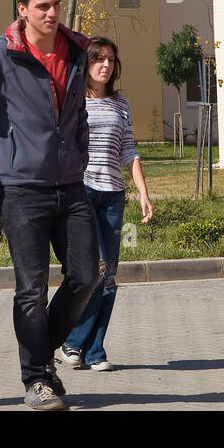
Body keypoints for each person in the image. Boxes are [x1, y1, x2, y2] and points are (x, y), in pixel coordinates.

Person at [0, 0, 101, 410]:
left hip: (70, 186)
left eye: (56, 4)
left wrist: (80, 154)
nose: (52, 12)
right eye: (43, 6)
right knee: (31, 289)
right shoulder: (1, 56)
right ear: (22, 10)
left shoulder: (75, 51)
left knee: (88, 275)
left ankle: (40, 353)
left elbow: (79, 114)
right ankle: (36, 379)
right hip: (22, 191)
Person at [57, 37, 153, 372]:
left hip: (113, 195)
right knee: (95, 272)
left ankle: (94, 351)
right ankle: (71, 341)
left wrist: (142, 192)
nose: (105, 65)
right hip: (81, 192)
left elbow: (129, 150)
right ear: (87, 64)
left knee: (109, 276)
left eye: (110, 59)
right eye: (98, 59)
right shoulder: (73, 100)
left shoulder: (120, 103)